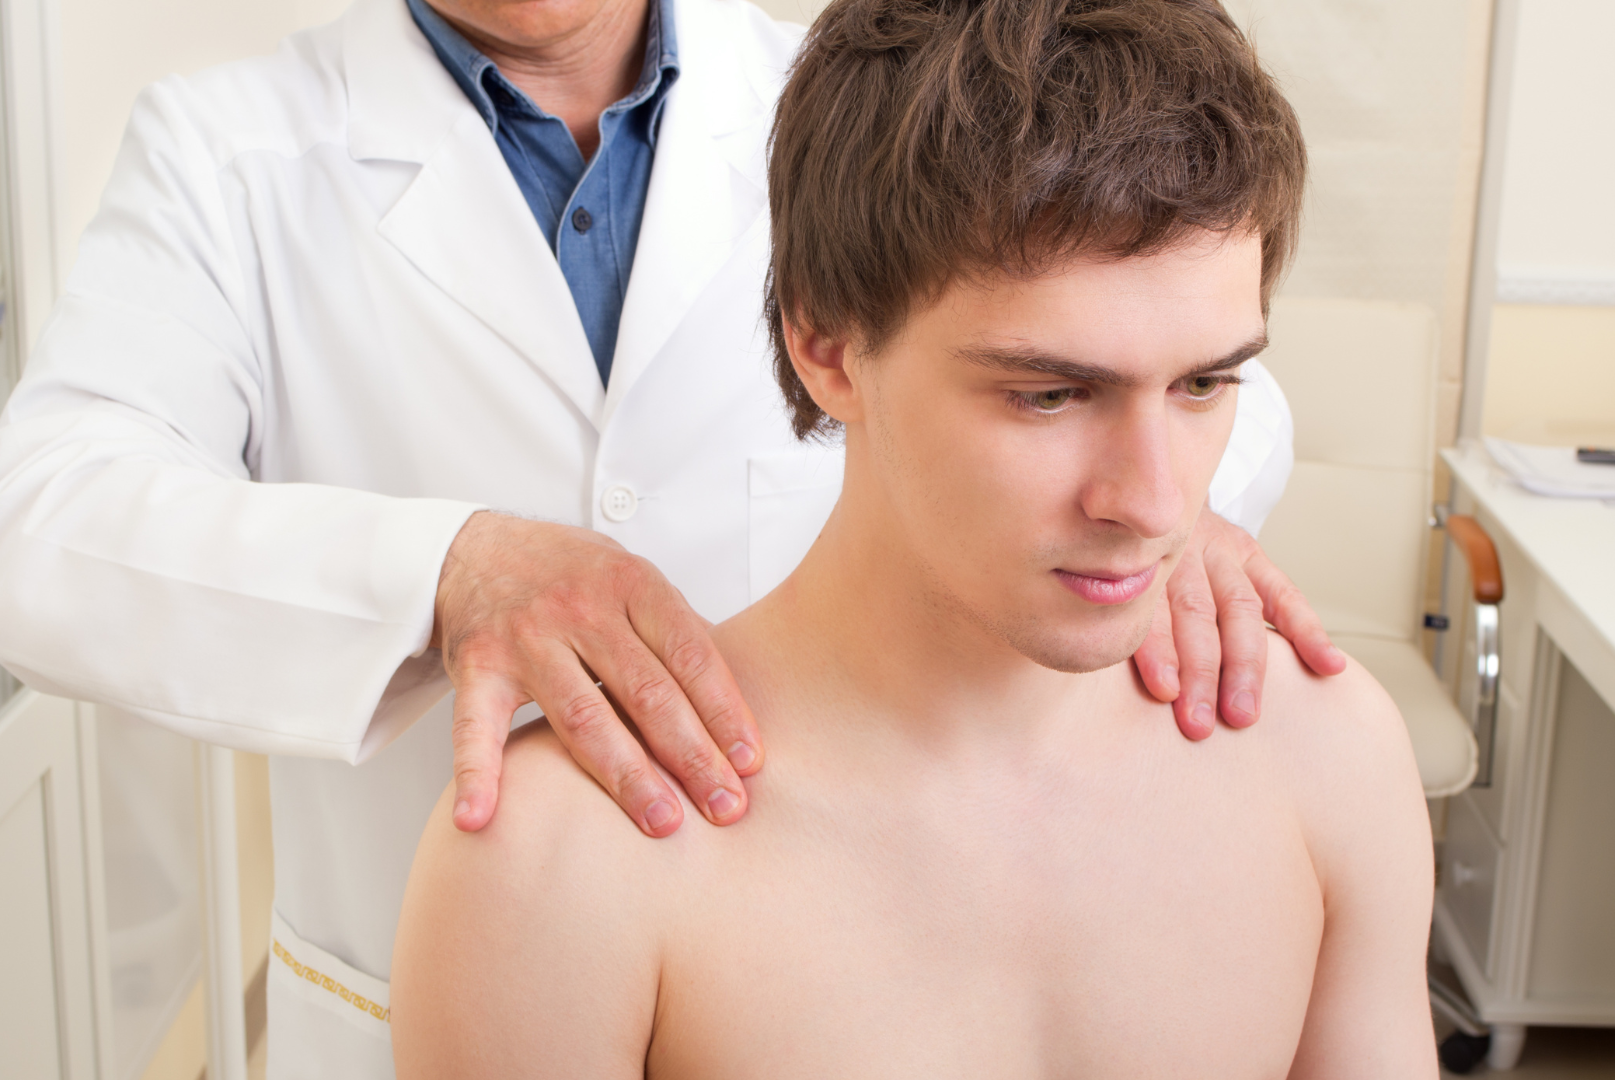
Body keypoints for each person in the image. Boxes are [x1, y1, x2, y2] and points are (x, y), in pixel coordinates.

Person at [0, 0, 1340, 1071]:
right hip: (450, 975)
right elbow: (43, 532)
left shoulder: (877, 105)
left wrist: (1177, 517)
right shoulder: (229, 151)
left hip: (847, 986)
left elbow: (1178, 356)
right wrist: (444, 573)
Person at [391, 0, 1436, 1074]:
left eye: (1205, 383)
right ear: (828, 348)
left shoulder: (1328, 757)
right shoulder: (568, 859)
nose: (1156, 504)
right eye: (1049, 395)